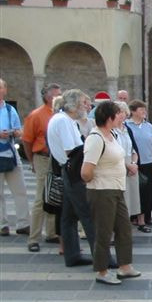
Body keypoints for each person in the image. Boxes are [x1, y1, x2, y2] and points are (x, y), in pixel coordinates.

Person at [48, 89, 111, 268]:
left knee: (68, 217)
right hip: (74, 170)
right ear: (74, 104)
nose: (87, 106)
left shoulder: (63, 119)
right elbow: (72, 150)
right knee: (89, 215)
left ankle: (73, 255)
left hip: (69, 169)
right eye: (84, 102)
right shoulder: (63, 121)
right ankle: (102, 258)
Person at [81, 101, 141, 285]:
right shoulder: (96, 138)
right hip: (102, 191)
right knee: (104, 232)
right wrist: (99, 179)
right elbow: (86, 172)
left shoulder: (112, 135)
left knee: (124, 228)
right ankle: (102, 270)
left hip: (116, 188)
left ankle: (125, 266)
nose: (121, 116)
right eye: (118, 113)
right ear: (109, 118)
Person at [22, 82, 61, 251]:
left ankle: (51, 232)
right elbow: (27, 140)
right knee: (40, 197)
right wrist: (32, 160)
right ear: (48, 97)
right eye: (57, 95)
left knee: (54, 194)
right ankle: (34, 238)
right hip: (42, 157)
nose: (60, 98)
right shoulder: (36, 115)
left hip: (56, 158)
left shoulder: (59, 114)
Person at [0, 78, 30, 238]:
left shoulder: (10, 110)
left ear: (5, 90)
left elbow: (19, 130)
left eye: (1, 88)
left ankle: (23, 224)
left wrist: (16, 132)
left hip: (11, 152)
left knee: (20, 190)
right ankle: (2, 225)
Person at [126, 100, 152, 227]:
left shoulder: (148, 126)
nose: (144, 112)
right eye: (141, 110)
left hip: (147, 162)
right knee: (135, 191)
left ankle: (146, 216)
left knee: (147, 191)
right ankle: (135, 217)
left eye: (144, 110)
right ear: (133, 111)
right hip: (134, 163)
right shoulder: (127, 125)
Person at [113, 101, 142, 231]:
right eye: (118, 112)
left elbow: (133, 149)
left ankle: (126, 225)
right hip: (119, 165)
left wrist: (134, 164)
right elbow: (113, 151)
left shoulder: (127, 129)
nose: (121, 115)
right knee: (121, 198)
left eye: (123, 112)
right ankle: (119, 227)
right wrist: (128, 165)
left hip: (131, 163)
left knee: (131, 197)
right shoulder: (111, 130)